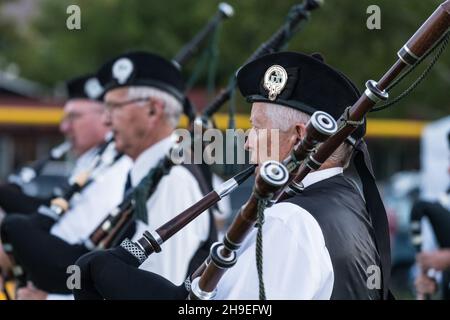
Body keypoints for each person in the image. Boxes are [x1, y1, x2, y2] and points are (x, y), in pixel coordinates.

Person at [73, 51, 391, 300]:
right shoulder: (345, 202)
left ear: (299, 136)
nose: (248, 142)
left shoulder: (289, 221)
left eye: (257, 128)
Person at [0, 74, 132, 299]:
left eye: (74, 117)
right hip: (66, 272)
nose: (64, 127)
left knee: (13, 225)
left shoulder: (119, 169)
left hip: (75, 278)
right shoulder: (93, 162)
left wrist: (50, 297)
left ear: (104, 117)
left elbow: (88, 252)